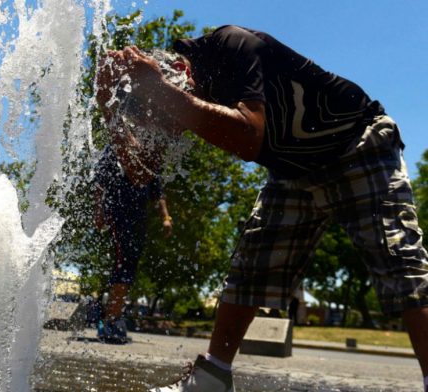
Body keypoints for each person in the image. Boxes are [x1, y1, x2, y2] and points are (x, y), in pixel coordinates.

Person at [97, 25, 428, 392]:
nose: (170, 130)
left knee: (398, 259)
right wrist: (107, 108)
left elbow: (249, 136)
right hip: (293, 169)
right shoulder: (179, 96)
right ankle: (211, 378)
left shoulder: (232, 44)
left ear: (178, 78)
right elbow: (141, 173)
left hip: (357, 142)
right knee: (251, 266)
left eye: (161, 118)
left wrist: (160, 92)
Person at [93, 146, 172, 343]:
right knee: (123, 265)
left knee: (129, 267)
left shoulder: (149, 147)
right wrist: (99, 210)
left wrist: (166, 217)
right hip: (118, 213)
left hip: (139, 218)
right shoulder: (116, 146)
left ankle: (113, 316)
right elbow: (100, 182)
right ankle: (110, 320)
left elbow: (157, 190)